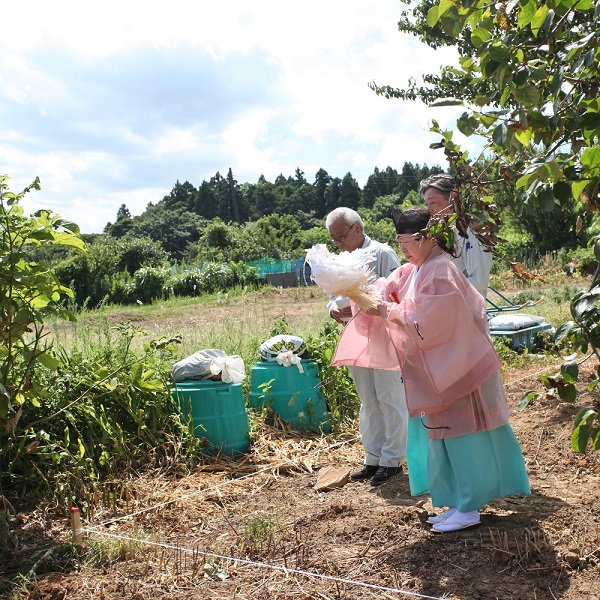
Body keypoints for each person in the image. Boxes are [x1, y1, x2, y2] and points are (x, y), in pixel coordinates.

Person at [332, 207, 530, 532]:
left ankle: (470, 507)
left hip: (456, 372)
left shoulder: (441, 270)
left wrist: (384, 309)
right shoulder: (416, 268)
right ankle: (455, 502)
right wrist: (358, 301)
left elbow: (429, 320)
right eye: (400, 242)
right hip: (438, 373)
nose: (403, 250)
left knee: (463, 439)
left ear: (427, 238)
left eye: (407, 242)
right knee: (442, 440)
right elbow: (386, 287)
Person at [325, 207, 408, 485]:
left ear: (358, 228)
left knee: (389, 395)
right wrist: (333, 311)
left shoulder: (382, 254)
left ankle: (392, 460)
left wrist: (369, 302)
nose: (339, 243)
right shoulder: (341, 259)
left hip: (384, 334)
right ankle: (373, 458)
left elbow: (400, 292)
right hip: (357, 335)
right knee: (368, 399)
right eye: (334, 239)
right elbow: (332, 297)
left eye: (341, 236)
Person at [420, 174, 492, 297]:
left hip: (467, 312)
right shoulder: (440, 232)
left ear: (452, 199)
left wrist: (437, 291)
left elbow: (479, 281)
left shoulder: (472, 231)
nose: (429, 209)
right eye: (427, 204)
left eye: (432, 202)